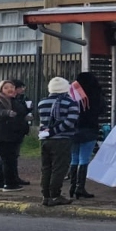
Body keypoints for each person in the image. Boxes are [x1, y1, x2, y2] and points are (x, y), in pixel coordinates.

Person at [37, 77, 80, 206]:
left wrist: (48, 133)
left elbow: (42, 122)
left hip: (45, 140)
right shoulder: (71, 103)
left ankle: (46, 196)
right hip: (62, 140)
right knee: (59, 168)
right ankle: (55, 195)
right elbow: (70, 121)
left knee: (46, 168)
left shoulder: (42, 103)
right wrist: (55, 131)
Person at [68, 72, 104, 199]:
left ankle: (72, 187)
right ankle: (80, 187)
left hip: (73, 129)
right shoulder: (95, 93)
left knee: (74, 158)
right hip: (89, 129)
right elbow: (101, 109)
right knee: (84, 159)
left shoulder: (72, 93)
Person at [0, 80, 28, 192]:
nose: (10, 89)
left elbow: (22, 112)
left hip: (12, 135)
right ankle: (10, 184)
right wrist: (7, 113)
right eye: (6, 88)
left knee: (5, 159)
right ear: (1, 90)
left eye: (11, 87)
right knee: (8, 160)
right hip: (2, 136)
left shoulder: (14, 100)